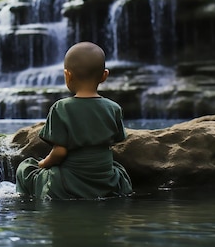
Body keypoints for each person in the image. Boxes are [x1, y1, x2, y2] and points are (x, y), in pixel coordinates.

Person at [15, 42, 133, 200]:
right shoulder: (114, 108)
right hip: (106, 181)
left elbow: (60, 152)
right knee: (118, 169)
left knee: (26, 168)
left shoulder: (61, 108)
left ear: (67, 75)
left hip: (66, 184)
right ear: (104, 75)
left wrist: (42, 164)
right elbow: (116, 141)